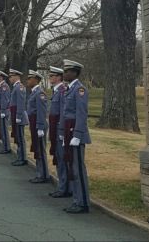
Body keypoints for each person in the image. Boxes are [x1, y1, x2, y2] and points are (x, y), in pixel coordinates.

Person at [62, 59, 90, 214]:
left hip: (75, 132)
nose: (64, 74)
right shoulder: (70, 89)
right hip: (69, 130)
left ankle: (83, 202)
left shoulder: (80, 90)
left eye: (67, 71)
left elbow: (81, 113)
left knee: (78, 169)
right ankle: (77, 200)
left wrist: (77, 134)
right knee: (73, 167)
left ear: (74, 72)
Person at [48, 66, 70, 198]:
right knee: (59, 157)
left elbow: (63, 112)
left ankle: (64, 187)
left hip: (59, 129)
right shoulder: (56, 91)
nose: (50, 78)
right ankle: (63, 185)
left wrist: (61, 131)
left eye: (51, 76)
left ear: (58, 77)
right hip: (55, 128)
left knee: (62, 158)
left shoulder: (62, 91)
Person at [26, 70, 50, 184]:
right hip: (34, 123)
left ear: (36, 80)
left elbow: (41, 111)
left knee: (40, 149)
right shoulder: (34, 92)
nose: (27, 81)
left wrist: (40, 127)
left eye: (30, 78)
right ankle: (40, 173)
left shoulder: (40, 93)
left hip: (38, 124)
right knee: (37, 148)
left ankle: (43, 175)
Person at [9, 69, 28, 166]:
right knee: (18, 137)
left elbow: (21, 103)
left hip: (19, 116)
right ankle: (20, 156)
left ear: (17, 76)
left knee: (20, 138)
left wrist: (18, 116)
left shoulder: (19, 87)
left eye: (11, 76)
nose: (10, 78)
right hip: (16, 115)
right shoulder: (15, 87)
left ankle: (23, 158)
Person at [0, 70, 12, 155]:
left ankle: (7, 148)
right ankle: (5, 146)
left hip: (4, 111)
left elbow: (5, 100)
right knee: (2, 130)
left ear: (1, 77)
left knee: (5, 130)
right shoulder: (1, 86)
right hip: (1, 110)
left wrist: (2, 110)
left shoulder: (4, 86)